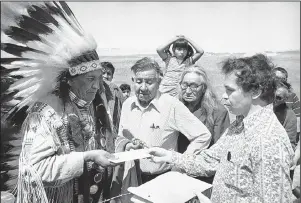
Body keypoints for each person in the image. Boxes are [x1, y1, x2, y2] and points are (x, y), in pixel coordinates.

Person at [1, 2, 119, 203]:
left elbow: (105, 139)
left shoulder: (94, 103)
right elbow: (34, 169)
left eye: (99, 78)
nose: (97, 86)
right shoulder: (46, 112)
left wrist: (126, 146)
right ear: (69, 80)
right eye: (90, 79)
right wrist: (85, 158)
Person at [149, 54, 294, 202]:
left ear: (256, 92)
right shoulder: (239, 125)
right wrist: (170, 156)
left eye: (230, 90)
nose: (224, 96)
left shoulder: (269, 140)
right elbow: (210, 161)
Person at [110, 57, 211, 200]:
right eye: (139, 81)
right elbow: (121, 136)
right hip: (131, 178)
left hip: (161, 180)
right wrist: (127, 145)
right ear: (133, 81)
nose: (143, 87)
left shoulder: (171, 105)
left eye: (149, 82)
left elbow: (202, 136)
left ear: (159, 81)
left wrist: (180, 163)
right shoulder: (127, 105)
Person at [176, 65, 230, 184]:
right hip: (176, 171)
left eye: (194, 86)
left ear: (204, 88)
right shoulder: (175, 107)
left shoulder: (218, 112)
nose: (188, 90)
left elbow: (220, 149)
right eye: (185, 85)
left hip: (203, 176)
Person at [273, 67, 300, 136]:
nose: (279, 81)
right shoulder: (265, 96)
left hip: (286, 134)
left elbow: (298, 119)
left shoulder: (292, 96)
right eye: (276, 78)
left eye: (282, 79)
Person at [273, 80, 298, 150]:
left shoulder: (290, 116)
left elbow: (290, 144)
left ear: (285, 99)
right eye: (272, 95)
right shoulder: (261, 108)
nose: (274, 99)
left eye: (278, 97)